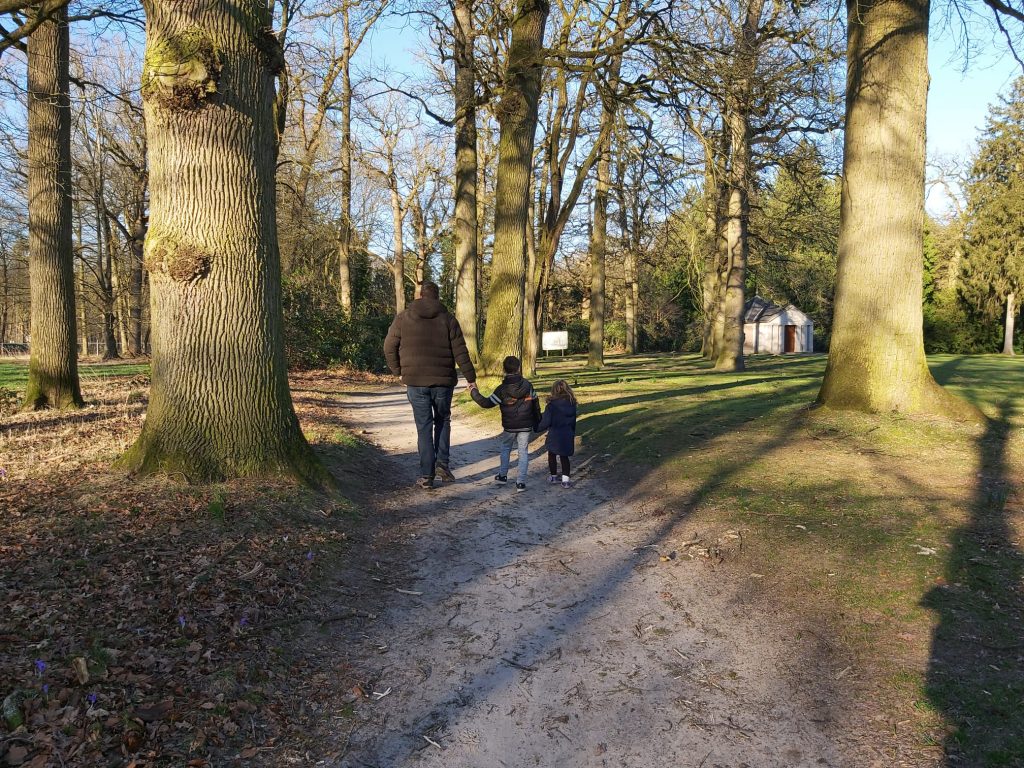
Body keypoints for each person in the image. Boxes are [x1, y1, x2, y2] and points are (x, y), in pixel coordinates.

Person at [383, 281, 476, 489]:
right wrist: (471, 378)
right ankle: (442, 464)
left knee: (424, 426)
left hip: (415, 381)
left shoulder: (403, 318)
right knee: (443, 420)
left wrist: (398, 371)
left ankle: (427, 476)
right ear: (437, 296)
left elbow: (388, 346)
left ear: (420, 295)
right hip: (443, 381)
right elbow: (461, 351)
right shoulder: (448, 319)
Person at [468, 355, 540, 492]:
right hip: (526, 425)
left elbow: (486, 403)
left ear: (504, 369)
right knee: (523, 452)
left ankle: (502, 476)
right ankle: (521, 483)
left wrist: (473, 391)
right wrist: (537, 420)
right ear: (518, 368)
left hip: (509, 426)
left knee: (506, 448)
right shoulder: (528, 385)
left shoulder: (501, 389)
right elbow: (535, 404)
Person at [536, 379, 578, 488]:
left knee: (552, 454)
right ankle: (566, 481)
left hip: (555, 434)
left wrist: (536, 428)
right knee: (564, 457)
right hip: (567, 433)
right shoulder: (572, 404)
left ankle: (553, 476)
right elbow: (573, 422)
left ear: (554, 390)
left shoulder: (552, 406)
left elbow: (546, 422)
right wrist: (572, 432)